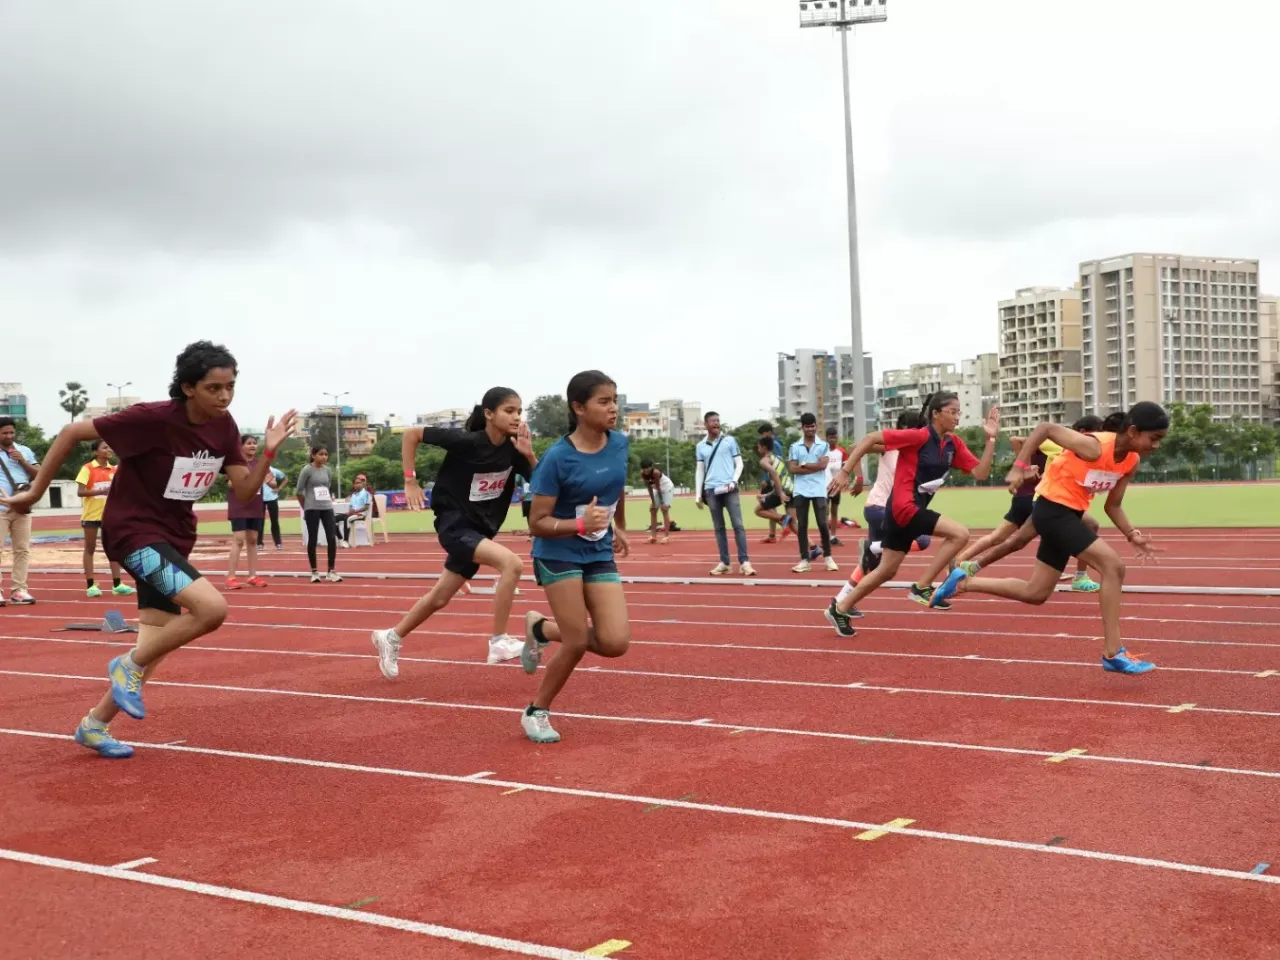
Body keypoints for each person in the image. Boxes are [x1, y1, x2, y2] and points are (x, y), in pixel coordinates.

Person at [0, 340, 297, 758]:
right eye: (215, 388)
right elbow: (71, 432)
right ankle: (127, 665)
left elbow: (246, 488)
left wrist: (267, 451)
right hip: (133, 533)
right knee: (211, 610)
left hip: (174, 537)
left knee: (156, 643)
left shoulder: (224, 426)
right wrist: (33, 493)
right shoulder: (152, 418)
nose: (225, 396)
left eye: (231, 386)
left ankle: (94, 725)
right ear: (189, 387)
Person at [930, 403, 1168, 674]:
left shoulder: (1130, 461)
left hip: (1070, 515)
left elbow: (1112, 506)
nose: (1157, 446)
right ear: (1134, 431)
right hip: (1051, 511)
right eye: (1154, 438)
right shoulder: (1095, 446)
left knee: (1036, 593)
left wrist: (1132, 535)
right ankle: (1113, 652)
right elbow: (1046, 429)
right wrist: (1019, 467)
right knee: (1113, 566)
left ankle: (964, 582)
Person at [370, 387, 537, 674]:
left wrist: (530, 455)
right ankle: (498, 641)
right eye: (509, 410)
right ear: (488, 413)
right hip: (454, 525)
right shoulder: (467, 442)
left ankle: (391, 636)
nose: (516, 416)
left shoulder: (514, 450)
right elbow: (412, 434)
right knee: (512, 564)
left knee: (440, 597)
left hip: (480, 530)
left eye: (519, 411)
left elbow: (544, 482)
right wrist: (410, 481)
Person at [824, 394, 998, 635]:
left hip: (905, 513)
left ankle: (840, 607)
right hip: (903, 508)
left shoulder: (953, 445)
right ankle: (922, 586)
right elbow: (872, 438)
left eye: (959, 412)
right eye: (952, 411)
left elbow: (980, 472)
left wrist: (991, 438)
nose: (957, 417)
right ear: (936, 414)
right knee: (960, 534)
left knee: (886, 571)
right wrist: (845, 472)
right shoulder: (918, 437)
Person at [519, 370, 631, 744]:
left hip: (597, 550)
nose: (613, 408)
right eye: (604, 401)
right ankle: (536, 710)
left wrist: (616, 527)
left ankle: (540, 629)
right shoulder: (557, 459)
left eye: (615, 399)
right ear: (579, 408)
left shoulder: (620, 445)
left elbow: (614, 490)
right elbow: (537, 522)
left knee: (615, 643)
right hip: (558, 551)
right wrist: (581, 523)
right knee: (578, 642)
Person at [953, 415, 1107, 591]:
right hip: (1049, 501)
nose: (1100, 438)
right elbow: (1021, 440)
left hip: (1063, 503)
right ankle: (1080, 577)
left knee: (1016, 542)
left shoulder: (1091, 451)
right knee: (1090, 526)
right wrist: (1023, 467)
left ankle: (971, 567)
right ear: (1083, 432)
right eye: (1098, 433)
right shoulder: (1060, 442)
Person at [836, 411, 931, 601]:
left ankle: (841, 601)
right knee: (923, 539)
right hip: (880, 508)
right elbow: (856, 446)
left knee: (871, 564)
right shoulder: (889, 445)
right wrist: (859, 477)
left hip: (886, 509)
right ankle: (873, 546)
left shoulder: (916, 453)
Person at [696, 412, 755, 577]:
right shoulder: (701, 446)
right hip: (711, 489)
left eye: (717, 421)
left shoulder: (729, 441)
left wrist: (734, 481)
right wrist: (698, 494)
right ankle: (724, 562)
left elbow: (739, 463)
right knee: (719, 528)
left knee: (738, 525)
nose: (716, 423)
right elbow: (699, 470)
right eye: (712, 421)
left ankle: (744, 562)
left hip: (729, 489)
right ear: (706, 424)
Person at [75, 440, 135, 598]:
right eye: (105, 447)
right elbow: (80, 492)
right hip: (91, 515)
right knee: (90, 548)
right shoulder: (87, 468)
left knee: (114, 549)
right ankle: (91, 585)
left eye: (110, 446)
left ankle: (117, 584)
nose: (109, 449)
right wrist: (101, 491)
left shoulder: (114, 469)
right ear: (96, 452)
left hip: (110, 515)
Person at [789, 413, 837, 573]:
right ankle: (804, 559)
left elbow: (822, 466)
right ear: (802, 428)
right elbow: (792, 468)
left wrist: (803, 465)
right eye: (807, 426)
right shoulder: (795, 447)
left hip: (818, 489)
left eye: (812, 426)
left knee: (823, 523)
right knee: (802, 525)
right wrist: (812, 465)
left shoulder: (823, 445)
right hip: (801, 490)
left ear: (816, 426)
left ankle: (828, 557)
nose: (810, 429)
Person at [0, 416, 38, 606]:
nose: (9, 436)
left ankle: (19, 590)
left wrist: (23, 461)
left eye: (11, 432)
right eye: (5, 433)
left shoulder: (24, 451)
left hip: (21, 506)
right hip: (0, 507)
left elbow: (40, 474)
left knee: (22, 550)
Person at [225, 434, 269, 589]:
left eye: (255, 443)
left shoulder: (260, 464)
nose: (252, 446)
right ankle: (231, 577)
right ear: (241, 446)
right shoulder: (236, 464)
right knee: (238, 539)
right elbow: (230, 484)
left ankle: (252, 575)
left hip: (255, 505)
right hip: (239, 505)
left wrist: (269, 481)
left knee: (253, 539)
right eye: (249, 443)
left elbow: (271, 482)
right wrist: (249, 480)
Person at [296, 446, 341, 583]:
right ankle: (314, 571)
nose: (324, 457)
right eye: (321, 454)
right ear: (313, 455)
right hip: (312, 508)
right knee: (313, 539)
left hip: (327, 507)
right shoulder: (307, 470)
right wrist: (306, 507)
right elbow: (299, 491)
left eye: (326, 454)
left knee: (331, 537)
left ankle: (331, 571)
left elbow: (327, 487)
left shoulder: (327, 470)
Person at [754, 437, 797, 535]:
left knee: (758, 510)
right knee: (794, 525)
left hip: (783, 491)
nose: (758, 448)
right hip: (791, 489)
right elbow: (782, 477)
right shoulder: (778, 458)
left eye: (759, 446)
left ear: (764, 447)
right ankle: (813, 547)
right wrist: (766, 495)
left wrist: (781, 493)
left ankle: (783, 518)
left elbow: (774, 473)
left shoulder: (764, 461)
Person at [757, 423, 789, 543]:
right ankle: (772, 534)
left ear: (769, 432)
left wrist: (765, 479)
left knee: (764, 506)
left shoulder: (773, 444)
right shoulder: (778, 443)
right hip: (780, 479)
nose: (761, 437)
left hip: (773, 480)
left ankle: (783, 523)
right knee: (771, 506)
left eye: (762, 434)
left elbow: (773, 464)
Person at [824, 425, 851, 546]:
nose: (832, 440)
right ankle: (824, 537)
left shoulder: (841, 452)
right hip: (823, 486)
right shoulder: (822, 451)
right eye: (830, 438)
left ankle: (833, 536)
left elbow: (846, 468)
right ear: (826, 438)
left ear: (837, 438)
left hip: (836, 486)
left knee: (834, 511)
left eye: (834, 437)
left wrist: (845, 480)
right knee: (824, 512)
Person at [640, 458, 674, 544]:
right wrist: (653, 503)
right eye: (644, 468)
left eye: (647, 468)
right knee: (653, 509)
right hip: (657, 490)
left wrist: (662, 502)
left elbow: (659, 488)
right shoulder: (643, 474)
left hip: (666, 488)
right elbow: (649, 488)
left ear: (651, 467)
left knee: (664, 509)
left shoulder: (655, 473)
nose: (646, 470)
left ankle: (666, 536)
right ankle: (653, 536)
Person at [339, 473, 373, 546]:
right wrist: (350, 510)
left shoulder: (367, 493)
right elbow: (351, 505)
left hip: (361, 514)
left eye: (360, 483)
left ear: (363, 483)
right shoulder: (353, 494)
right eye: (356, 483)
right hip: (353, 513)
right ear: (354, 485)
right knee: (332, 519)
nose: (358, 484)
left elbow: (366, 507)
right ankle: (340, 538)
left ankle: (346, 540)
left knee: (346, 518)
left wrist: (355, 511)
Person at [258, 462, 286, 550]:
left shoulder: (274, 470)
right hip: (260, 499)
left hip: (272, 498)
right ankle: (259, 543)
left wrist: (279, 488)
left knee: (274, 522)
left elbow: (285, 479)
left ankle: (278, 543)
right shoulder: (257, 470)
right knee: (260, 522)